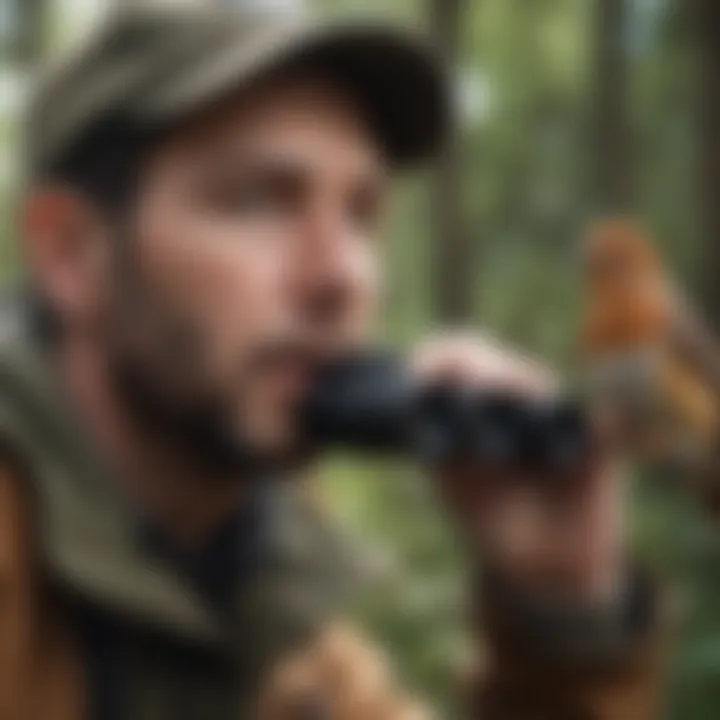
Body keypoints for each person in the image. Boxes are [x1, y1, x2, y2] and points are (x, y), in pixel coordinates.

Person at [0, 3, 660, 718]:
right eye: (258, 202)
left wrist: (564, 618)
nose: (342, 276)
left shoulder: (273, 602)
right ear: (70, 255)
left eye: (362, 213)